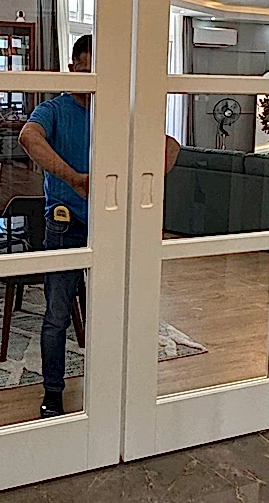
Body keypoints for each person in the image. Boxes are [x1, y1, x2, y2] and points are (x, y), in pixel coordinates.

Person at [20, 36, 181, 418]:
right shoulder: (53, 110)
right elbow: (28, 137)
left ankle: (109, 388)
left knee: (109, 312)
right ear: (73, 68)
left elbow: (170, 146)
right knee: (57, 315)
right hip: (65, 227)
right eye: (88, 68)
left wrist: (138, 188)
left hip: (110, 228)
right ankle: (53, 394)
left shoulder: (117, 114)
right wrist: (74, 178)